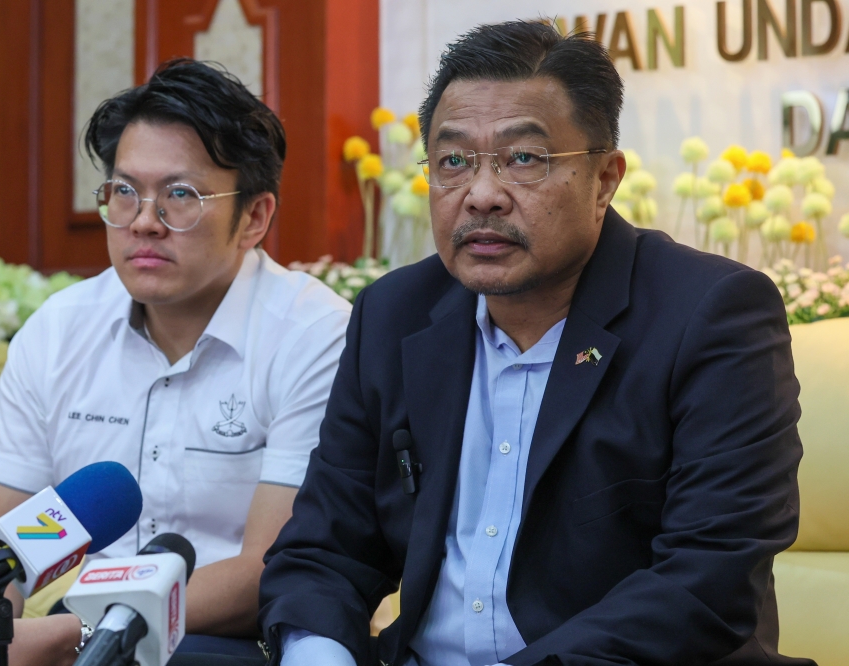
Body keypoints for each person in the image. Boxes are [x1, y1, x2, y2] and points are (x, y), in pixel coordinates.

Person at [257, 21, 815, 666]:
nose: (482, 196)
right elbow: (325, 548)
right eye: (454, 161)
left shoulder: (709, 315)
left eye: (524, 159)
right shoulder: (394, 314)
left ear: (605, 179)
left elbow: (706, 583)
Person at [0, 58, 350, 666]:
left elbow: (270, 567)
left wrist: (79, 636)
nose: (145, 222)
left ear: (254, 218)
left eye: (181, 196)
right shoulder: (58, 329)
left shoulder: (314, 335)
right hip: (53, 636)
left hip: (213, 638)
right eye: (124, 192)